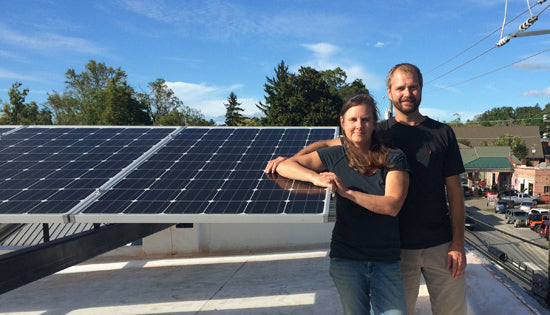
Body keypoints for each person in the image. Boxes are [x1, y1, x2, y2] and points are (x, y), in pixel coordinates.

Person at [265, 63, 467, 315]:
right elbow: (328, 145)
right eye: (400, 88)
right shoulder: (378, 130)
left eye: (413, 87)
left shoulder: (442, 133)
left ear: (421, 89)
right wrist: (290, 160)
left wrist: (458, 244)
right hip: (398, 248)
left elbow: (455, 192)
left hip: (440, 244)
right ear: (390, 92)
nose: (407, 93)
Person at [276, 93, 410, 315]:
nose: (359, 125)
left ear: (374, 123)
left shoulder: (393, 157)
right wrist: (315, 177)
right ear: (342, 122)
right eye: (353, 120)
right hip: (346, 259)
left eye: (365, 119)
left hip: (385, 260)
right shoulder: (335, 155)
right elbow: (286, 166)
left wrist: (347, 193)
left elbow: (392, 205)